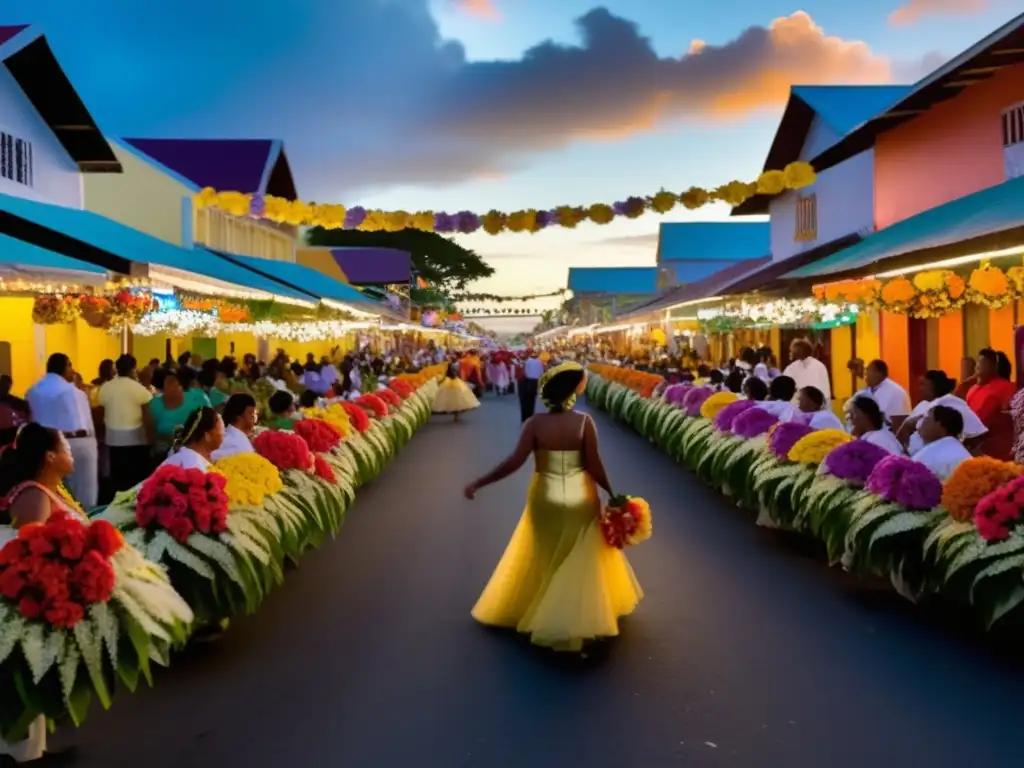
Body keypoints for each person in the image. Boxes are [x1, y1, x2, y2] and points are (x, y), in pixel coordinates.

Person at [465, 362, 642, 652]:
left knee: (546, 552)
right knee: (578, 554)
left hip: (544, 497)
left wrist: (479, 482)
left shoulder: (534, 425)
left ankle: (541, 606)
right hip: (581, 497)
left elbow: (514, 462)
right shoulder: (584, 423)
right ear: (572, 394)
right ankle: (577, 613)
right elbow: (594, 464)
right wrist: (612, 493)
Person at [0, 424, 83, 764]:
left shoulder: (50, 488)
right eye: (66, 446)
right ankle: (22, 757)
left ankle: (33, 752)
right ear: (50, 456)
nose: (71, 452)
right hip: (37, 597)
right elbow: (26, 555)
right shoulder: (33, 496)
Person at [25, 354, 98, 509]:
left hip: (45, 445)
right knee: (84, 492)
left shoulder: (32, 391)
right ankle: (85, 522)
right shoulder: (71, 391)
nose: (72, 371)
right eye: (70, 366)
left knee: (53, 491)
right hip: (78, 442)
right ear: (64, 367)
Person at [97, 354, 155, 493]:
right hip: (136, 441)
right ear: (132, 369)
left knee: (118, 482)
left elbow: (101, 412)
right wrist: (151, 438)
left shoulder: (106, 387)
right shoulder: (137, 388)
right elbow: (147, 414)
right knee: (135, 483)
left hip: (113, 440)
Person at [899, 370, 986, 455]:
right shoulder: (923, 404)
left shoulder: (951, 402)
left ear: (935, 386)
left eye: (924, 385)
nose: (920, 389)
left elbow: (976, 433)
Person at [965, 348, 1017, 460]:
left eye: (983, 362)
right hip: (976, 448)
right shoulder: (972, 389)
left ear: (994, 366)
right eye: (978, 361)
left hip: (1000, 450)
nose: (978, 365)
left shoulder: (1006, 388)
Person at [150, 368, 212, 457]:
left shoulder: (154, 402)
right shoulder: (200, 396)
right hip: (194, 451)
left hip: (162, 452)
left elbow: (150, 432)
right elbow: (211, 420)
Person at [912, 405, 972, 481]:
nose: (921, 423)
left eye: (927, 418)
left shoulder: (930, 455)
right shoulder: (962, 453)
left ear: (940, 425)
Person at [853, 359, 912, 432]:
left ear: (878, 373)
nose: (866, 375)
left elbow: (901, 424)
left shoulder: (896, 392)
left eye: (868, 371)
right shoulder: (864, 392)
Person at [162, 407, 224, 471]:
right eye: (222, 430)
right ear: (207, 436)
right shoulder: (193, 465)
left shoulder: (187, 456)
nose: (224, 434)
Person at [212, 394, 257, 460]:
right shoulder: (234, 442)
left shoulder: (233, 436)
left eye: (254, 413)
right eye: (251, 413)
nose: (253, 416)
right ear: (238, 415)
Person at [0, 374, 31, 446]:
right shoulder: (11, 400)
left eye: (7, 387)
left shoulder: (13, 400)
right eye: (3, 386)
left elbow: (25, 406)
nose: (5, 389)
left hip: (9, 432)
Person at [518, 350, 544, 422]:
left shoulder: (526, 362)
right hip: (534, 382)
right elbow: (541, 373)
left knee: (523, 401)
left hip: (525, 382)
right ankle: (530, 417)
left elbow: (524, 372)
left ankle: (524, 418)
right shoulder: (539, 362)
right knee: (531, 401)